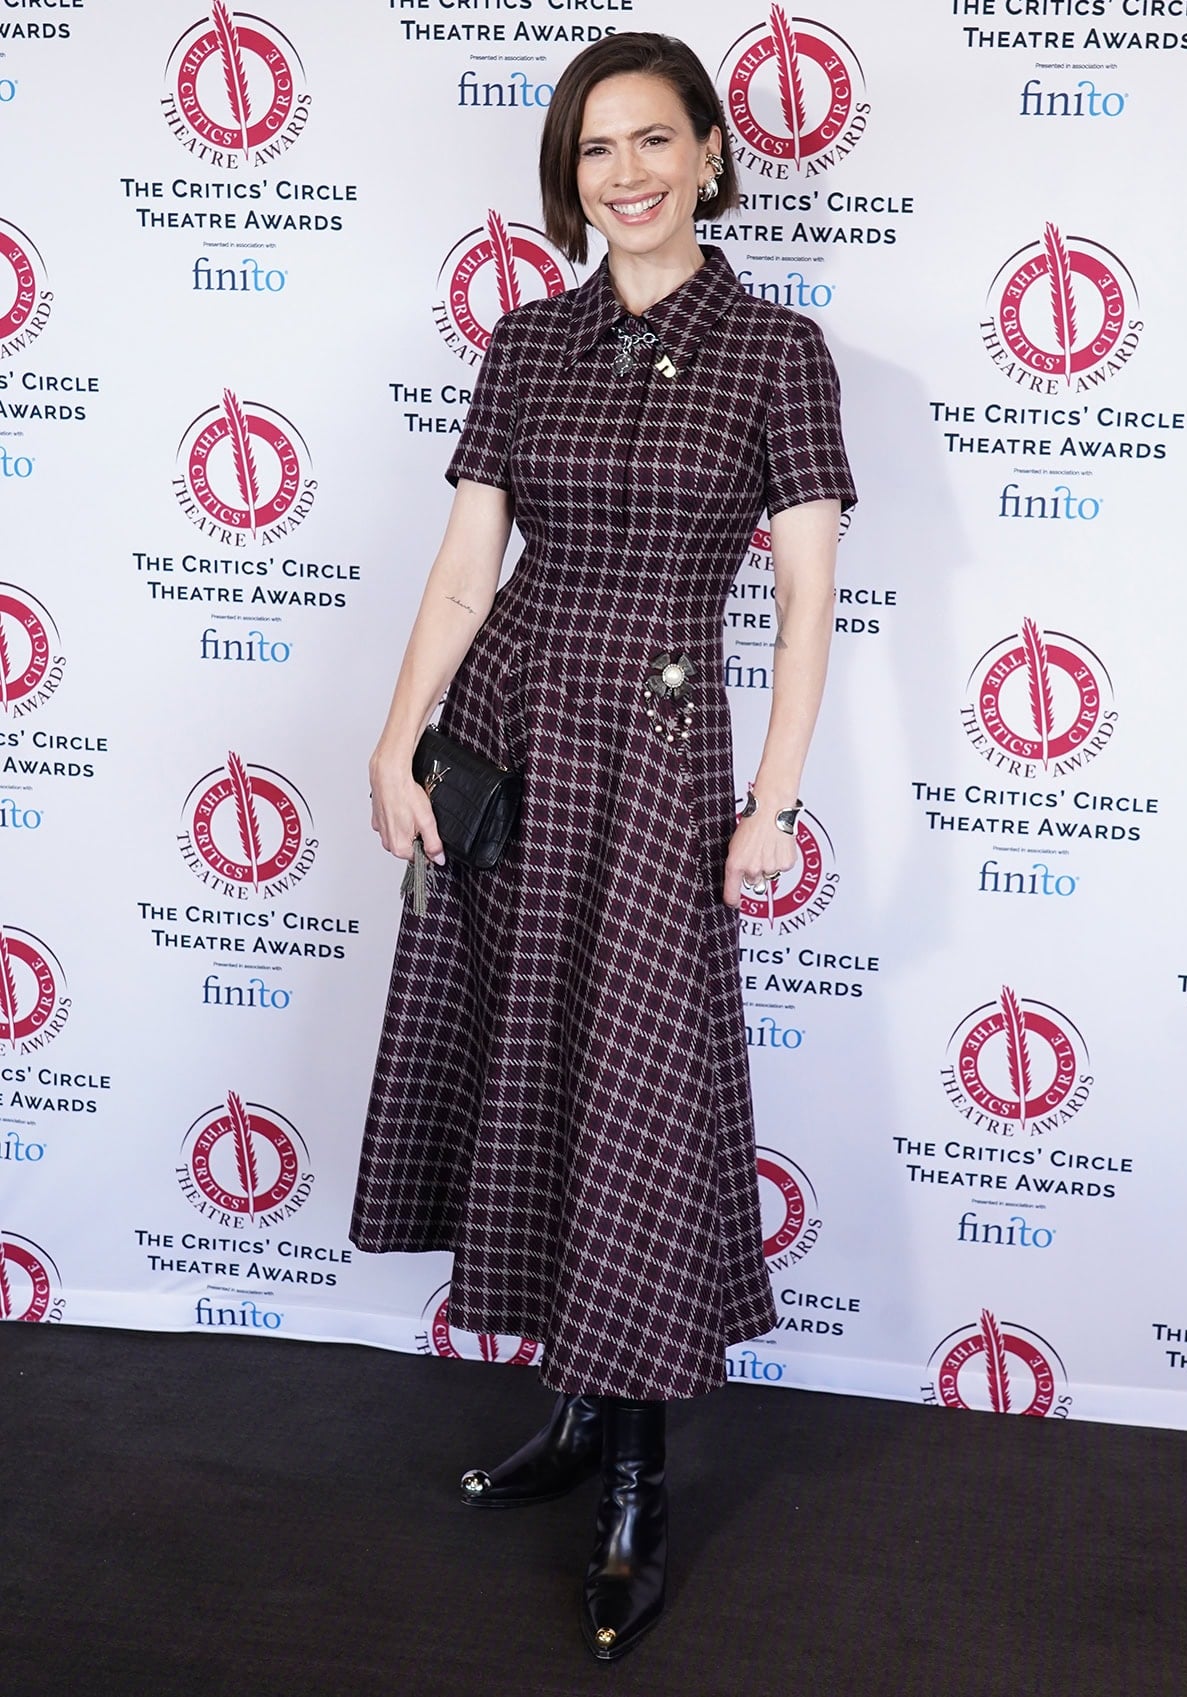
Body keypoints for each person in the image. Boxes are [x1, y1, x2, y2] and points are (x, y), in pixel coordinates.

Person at [351, 31, 856, 1663]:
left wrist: (771, 800)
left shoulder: (778, 351)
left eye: (652, 142)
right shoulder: (530, 338)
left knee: (638, 1087)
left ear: (712, 153)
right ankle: (577, 1404)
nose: (623, 176)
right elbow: (461, 566)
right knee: (532, 1063)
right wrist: (393, 735)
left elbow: (800, 603)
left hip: (659, 752)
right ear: (567, 180)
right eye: (592, 153)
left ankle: (636, 1471)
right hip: (506, 733)